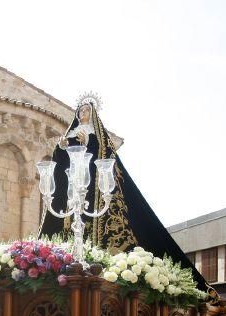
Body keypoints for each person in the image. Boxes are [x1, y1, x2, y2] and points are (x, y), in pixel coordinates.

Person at [38, 98, 204, 288]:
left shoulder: (97, 135)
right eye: (80, 111)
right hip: (73, 190)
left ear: (92, 114)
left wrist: (90, 141)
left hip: (95, 191)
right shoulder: (72, 133)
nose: (82, 113)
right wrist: (61, 148)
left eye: (86, 110)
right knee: (73, 224)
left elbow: (106, 155)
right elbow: (61, 162)